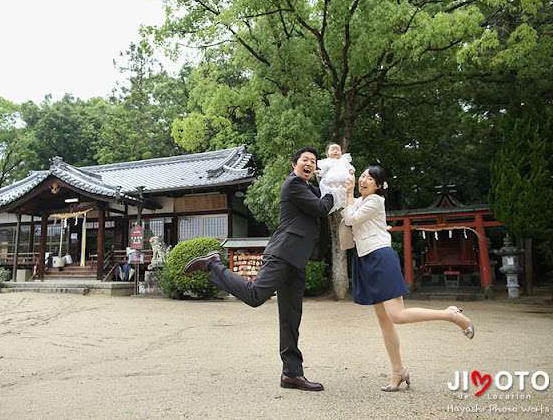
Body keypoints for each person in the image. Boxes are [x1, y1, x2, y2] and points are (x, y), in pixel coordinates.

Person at [183, 147, 335, 392]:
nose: (309, 164)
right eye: (305, 160)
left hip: (297, 260)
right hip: (282, 254)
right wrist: (332, 191)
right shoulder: (293, 184)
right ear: (294, 165)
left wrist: (331, 175)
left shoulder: (309, 188)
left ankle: (291, 374)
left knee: (291, 319)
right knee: (255, 296)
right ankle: (213, 264)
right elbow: (322, 206)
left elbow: (328, 192)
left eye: (313, 162)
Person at [341, 165, 475, 392]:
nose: (364, 180)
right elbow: (345, 209)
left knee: (397, 316)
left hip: (380, 258)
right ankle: (398, 371)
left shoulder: (375, 201)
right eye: (363, 175)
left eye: (370, 179)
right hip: (365, 259)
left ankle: (451, 315)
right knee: (384, 322)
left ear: (379, 186)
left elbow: (350, 218)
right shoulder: (360, 200)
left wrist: (348, 194)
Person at [317, 142, 355, 213]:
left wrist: (351, 170)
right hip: (332, 176)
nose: (335, 151)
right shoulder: (327, 162)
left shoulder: (344, 160)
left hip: (343, 177)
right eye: (333, 150)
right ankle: (334, 188)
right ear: (327, 153)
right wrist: (319, 172)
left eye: (338, 150)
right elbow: (323, 171)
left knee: (345, 186)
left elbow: (350, 166)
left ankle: (343, 195)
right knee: (330, 180)